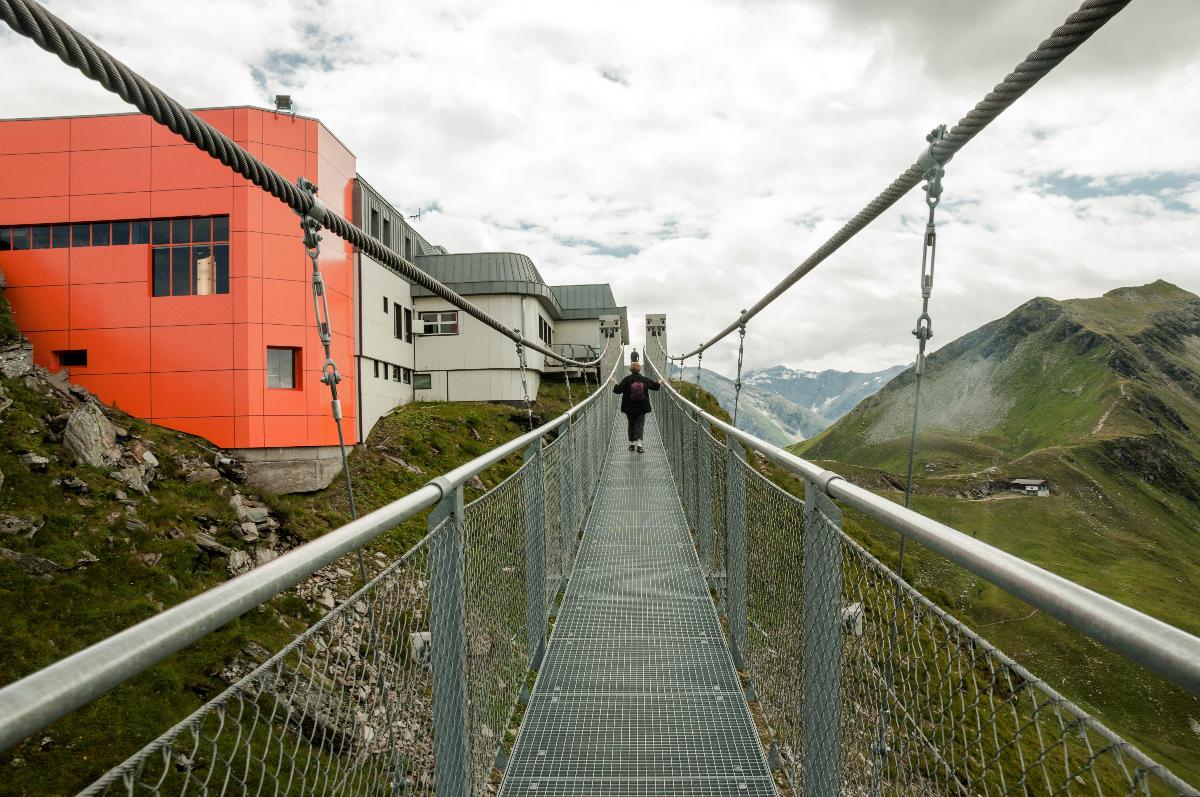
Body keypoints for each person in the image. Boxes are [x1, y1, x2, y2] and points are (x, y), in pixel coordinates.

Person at [611, 361, 660, 453]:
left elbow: (618, 390)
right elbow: (655, 387)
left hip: (629, 406)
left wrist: (614, 382)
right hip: (642, 406)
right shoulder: (643, 379)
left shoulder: (627, 379)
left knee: (631, 424)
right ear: (639, 369)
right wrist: (659, 382)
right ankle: (640, 445)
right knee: (640, 424)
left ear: (630, 369)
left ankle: (632, 444)